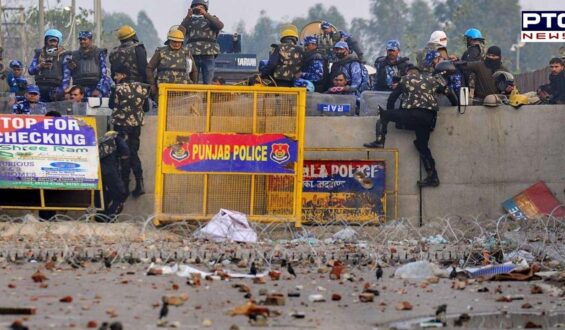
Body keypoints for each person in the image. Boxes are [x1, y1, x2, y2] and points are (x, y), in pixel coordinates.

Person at [363, 63, 458, 187]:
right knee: (422, 146)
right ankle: (432, 176)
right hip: (428, 118)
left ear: (408, 73)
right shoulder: (432, 80)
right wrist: (456, 105)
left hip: (411, 114)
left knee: (383, 115)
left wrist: (392, 114)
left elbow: (392, 98)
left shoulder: (405, 79)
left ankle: (380, 141)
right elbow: (450, 93)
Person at [109, 64, 150, 198]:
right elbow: (147, 107)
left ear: (123, 75)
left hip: (122, 125)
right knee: (133, 153)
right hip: (135, 126)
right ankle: (140, 183)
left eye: (117, 75)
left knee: (123, 155)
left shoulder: (118, 88)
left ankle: (124, 187)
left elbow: (111, 105)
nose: (115, 78)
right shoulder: (141, 88)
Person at [178, 0, 224, 84]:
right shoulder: (189, 20)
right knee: (192, 81)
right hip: (193, 54)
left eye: (201, 7)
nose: (198, 9)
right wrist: (188, 16)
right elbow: (179, 32)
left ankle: (207, 96)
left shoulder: (211, 19)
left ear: (205, 9)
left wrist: (205, 14)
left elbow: (220, 25)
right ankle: (193, 96)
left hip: (208, 54)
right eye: (196, 7)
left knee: (208, 81)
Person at [146, 29, 198, 97]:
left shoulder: (186, 53)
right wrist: (152, 84)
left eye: (178, 42)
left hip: (183, 91)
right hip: (164, 90)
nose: (176, 44)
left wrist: (193, 86)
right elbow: (149, 68)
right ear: (169, 41)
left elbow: (194, 71)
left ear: (182, 42)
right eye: (174, 42)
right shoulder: (161, 52)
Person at [28, 29, 71, 102]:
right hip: (40, 88)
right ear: (46, 41)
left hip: (56, 89)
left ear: (58, 42)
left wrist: (60, 91)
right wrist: (39, 66)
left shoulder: (64, 55)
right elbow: (30, 71)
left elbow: (67, 77)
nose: (52, 43)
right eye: (50, 41)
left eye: (54, 41)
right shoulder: (39, 54)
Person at [97, 130, 130, 220]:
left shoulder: (101, 140)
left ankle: (100, 216)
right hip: (110, 170)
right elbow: (125, 153)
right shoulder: (117, 138)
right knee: (121, 193)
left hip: (98, 171)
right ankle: (111, 216)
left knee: (103, 194)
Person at [69, 31, 111, 97]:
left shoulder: (99, 52)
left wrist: (99, 89)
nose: (82, 41)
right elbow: (70, 74)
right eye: (80, 39)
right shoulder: (74, 55)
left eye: (84, 39)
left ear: (90, 40)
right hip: (80, 88)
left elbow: (104, 74)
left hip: (96, 86)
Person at [461, 28, 486, 99]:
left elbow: (467, 65)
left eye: (467, 39)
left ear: (471, 39)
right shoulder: (482, 49)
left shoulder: (473, 50)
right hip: (480, 82)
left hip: (472, 83)